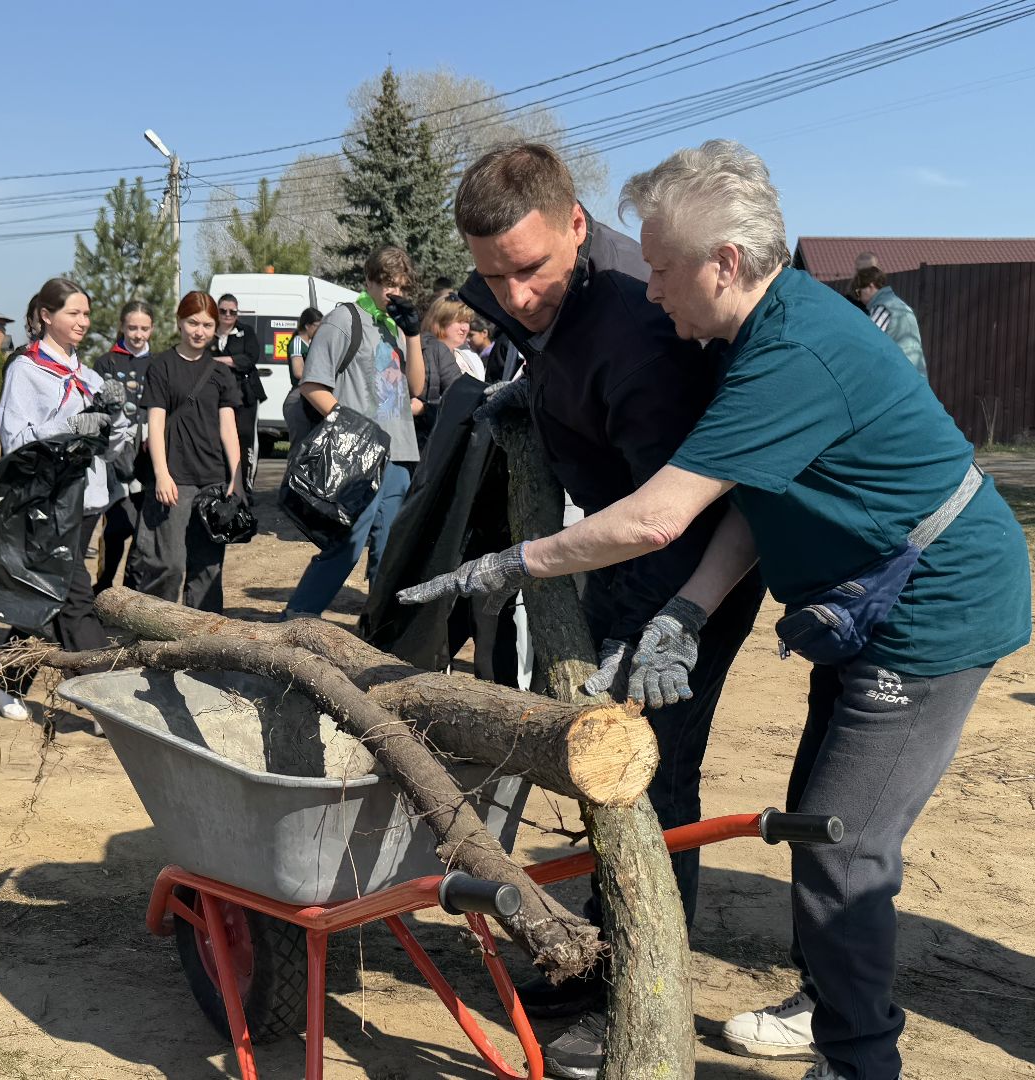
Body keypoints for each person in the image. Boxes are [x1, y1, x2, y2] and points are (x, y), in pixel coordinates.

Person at [401, 140, 1032, 1080]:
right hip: (862, 601)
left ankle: (858, 1062)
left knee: (840, 850)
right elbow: (749, 500)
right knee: (823, 822)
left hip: (933, 604)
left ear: (725, 264)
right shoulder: (751, 334)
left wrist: (516, 559)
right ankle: (829, 1005)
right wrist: (688, 613)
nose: (646, 289)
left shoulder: (791, 350)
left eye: (658, 269)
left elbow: (661, 517)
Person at [449, 142, 766, 1076]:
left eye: (531, 268)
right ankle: (602, 955)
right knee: (605, 768)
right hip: (626, 539)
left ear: (579, 227)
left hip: (691, 565)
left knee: (649, 776)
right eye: (492, 275)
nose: (512, 294)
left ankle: (640, 984)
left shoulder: (639, 334)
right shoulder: (546, 303)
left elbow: (673, 510)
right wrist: (530, 397)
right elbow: (550, 352)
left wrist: (658, 617)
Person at [0, 278, 130, 722]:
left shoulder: (89, 377)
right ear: (47, 316)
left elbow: (112, 448)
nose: (83, 322)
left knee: (48, 593)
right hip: (47, 502)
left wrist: (119, 421)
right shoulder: (25, 370)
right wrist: (72, 422)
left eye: (86, 314)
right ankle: (110, 706)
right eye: (73, 313)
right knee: (76, 600)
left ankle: (4, 681)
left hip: (87, 500)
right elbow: (16, 440)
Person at [280, 245, 425, 619]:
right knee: (346, 545)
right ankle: (295, 621)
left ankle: (379, 631)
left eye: (402, 286)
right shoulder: (344, 319)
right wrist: (353, 429)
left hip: (400, 454)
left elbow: (417, 388)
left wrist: (413, 334)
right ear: (369, 281)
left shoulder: (395, 328)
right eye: (388, 284)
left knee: (390, 553)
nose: (395, 293)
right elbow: (312, 386)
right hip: (358, 455)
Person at [129, 291, 243, 613]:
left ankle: (202, 649)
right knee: (168, 565)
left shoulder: (221, 372)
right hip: (173, 481)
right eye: (193, 322)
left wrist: (236, 476)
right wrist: (162, 474)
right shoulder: (161, 367)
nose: (199, 331)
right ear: (179, 322)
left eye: (207, 325)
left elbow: (228, 428)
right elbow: (155, 422)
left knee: (208, 571)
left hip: (213, 482)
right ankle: (155, 638)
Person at [93, 300, 156, 594]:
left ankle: (131, 592)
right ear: (122, 326)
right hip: (114, 460)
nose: (138, 334)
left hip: (149, 461)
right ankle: (104, 587)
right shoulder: (106, 363)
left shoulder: (159, 364)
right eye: (132, 327)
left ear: (152, 329)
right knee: (117, 528)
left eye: (144, 328)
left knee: (143, 532)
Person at [212, 293, 264, 492]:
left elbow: (249, 359)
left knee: (245, 439)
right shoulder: (210, 334)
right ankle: (223, 482)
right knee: (218, 438)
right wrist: (233, 360)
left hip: (246, 394)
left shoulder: (246, 332)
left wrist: (218, 361)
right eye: (223, 311)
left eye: (232, 312)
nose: (227, 315)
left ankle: (246, 485)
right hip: (217, 395)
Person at [413, 294, 477, 447]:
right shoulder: (431, 349)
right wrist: (425, 410)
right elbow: (462, 400)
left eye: (467, 322)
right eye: (459, 321)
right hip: (429, 441)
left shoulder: (469, 356)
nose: (465, 328)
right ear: (440, 322)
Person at [852, 266, 928, 378]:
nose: (859, 298)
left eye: (858, 292)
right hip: (916, 373)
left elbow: (868, 342)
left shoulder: (883, 307)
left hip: (900, 376)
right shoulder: (900, 305)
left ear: (871, 286)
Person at [287, 306, 322, 388]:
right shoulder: (297, 343)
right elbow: (298, 372)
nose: (319, 329)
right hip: (301, 391)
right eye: (317, 326)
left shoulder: (311, 342)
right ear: (307, 326)